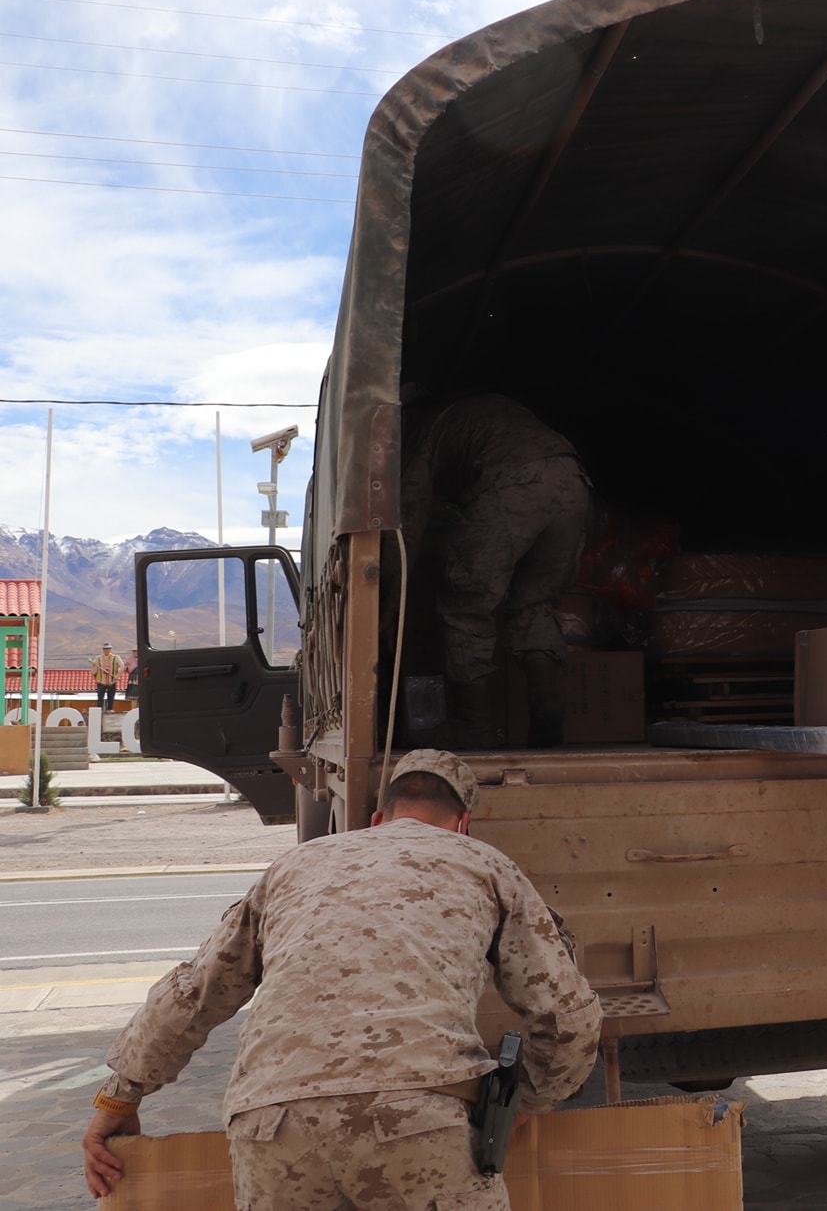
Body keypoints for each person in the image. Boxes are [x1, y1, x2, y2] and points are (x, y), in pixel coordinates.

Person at [82, 748, 602, 1209]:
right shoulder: (485, 864)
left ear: (378, 819)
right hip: (419, 1118)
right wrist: (527, 1101)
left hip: (271, 1123)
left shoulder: (295, 865)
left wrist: (119, 1098)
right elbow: (565, 1018)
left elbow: (195, 993)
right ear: (462, 824)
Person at [402, 394, 591, 747]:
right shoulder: (492, 408)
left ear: (410, 413)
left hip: (514, 486)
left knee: (467, 607)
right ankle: (546, 702)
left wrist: (393, 588)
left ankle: (474, 726)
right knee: (535, 603)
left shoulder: (429, 430)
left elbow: (410, 515)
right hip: (574, 481)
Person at [90, 643, 121, 712]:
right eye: (105, 649)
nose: (106, 650)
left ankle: (110, 709)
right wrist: (94, 666)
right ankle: (99, 709)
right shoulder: (98, 658)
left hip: (111, 681)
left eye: (108, 649)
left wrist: (117, 675)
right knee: (100, 696)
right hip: (101, 681)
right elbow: (94, 671)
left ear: (110, 649)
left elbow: (122, 667)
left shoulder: (116, 658)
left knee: (111, 696)